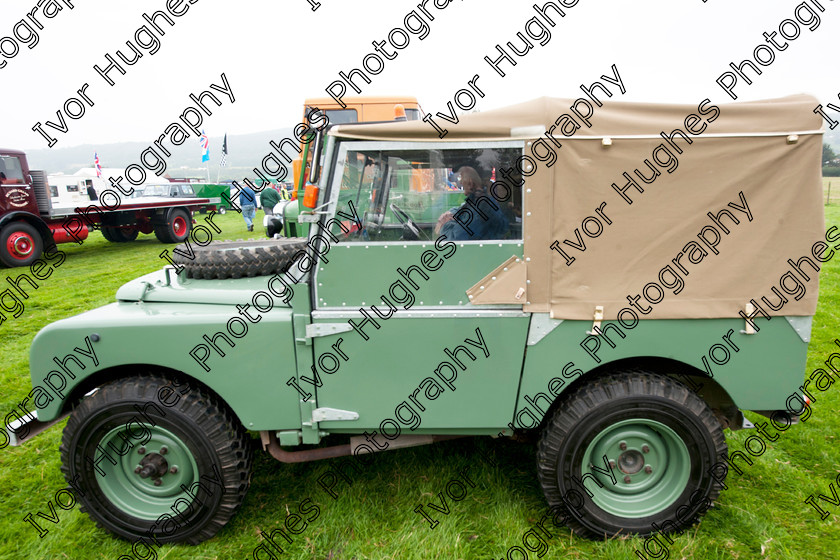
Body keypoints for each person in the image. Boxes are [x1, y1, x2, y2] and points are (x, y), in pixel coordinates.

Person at [436, 166, 508, 241]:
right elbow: (462, 210)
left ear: (470, 182)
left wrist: (445, 224)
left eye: (461, 178)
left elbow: (456, 238)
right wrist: (450, 213)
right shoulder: (476, 200)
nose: (460, 182)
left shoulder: (481, 206)